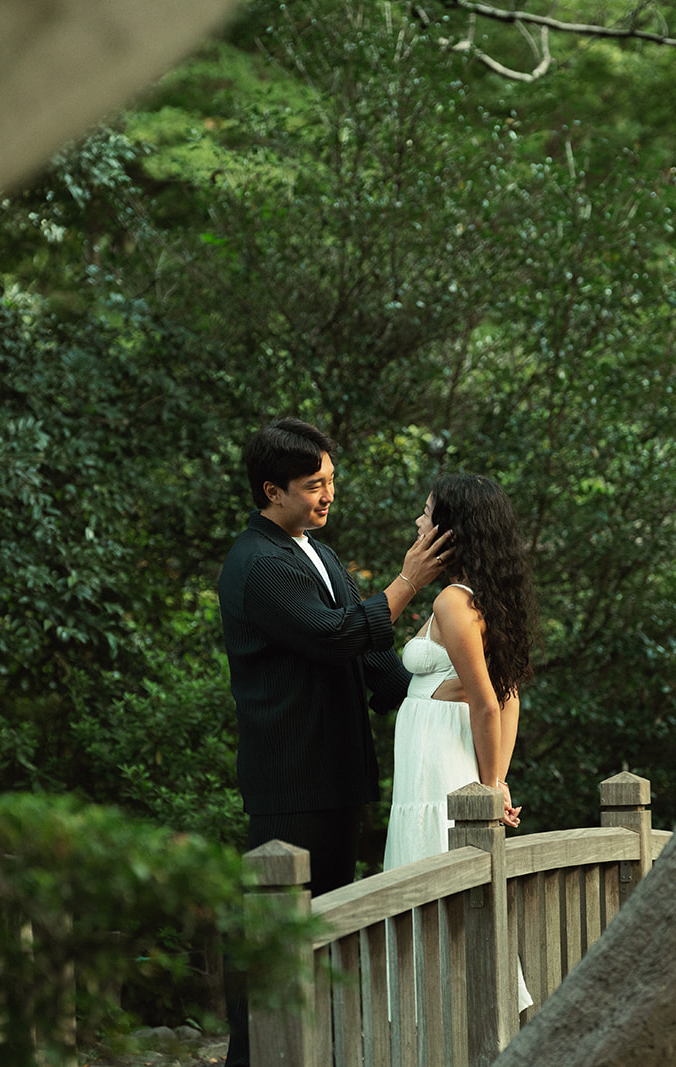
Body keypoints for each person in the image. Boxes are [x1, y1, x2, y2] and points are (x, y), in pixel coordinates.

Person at [218, 417, 451, 1066]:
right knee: (277, 943)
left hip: (339, 774)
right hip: (290, 782)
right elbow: (334, 635)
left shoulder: (315, 550)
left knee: (326, 940)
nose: (327, 495)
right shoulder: (258, 562)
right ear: (272, 489)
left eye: (330, 481)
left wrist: (436, 701)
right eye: (313, 484)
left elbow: (366, 659)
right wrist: (407, 582)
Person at [382, 472, 541, 1008]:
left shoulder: (454, 601)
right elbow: (505, 695)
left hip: (437, 760)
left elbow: (490, 700)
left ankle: (438, 1006)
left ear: (450, 530)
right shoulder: (479, 596)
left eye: (427, 514)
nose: (418, 522)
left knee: (435, 867)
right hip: (443, 752)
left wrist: (493, 784)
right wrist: (495, 778)